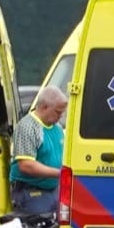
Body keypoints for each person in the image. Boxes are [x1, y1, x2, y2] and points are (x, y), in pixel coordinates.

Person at [10, 86, 68, 216]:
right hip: (32, 193)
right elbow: (26, 165)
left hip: (54, 191)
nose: (61, 116)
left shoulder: (57, 128)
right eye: (58, 112)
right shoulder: (28, 127)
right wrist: (60, 173)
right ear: (44, 107)